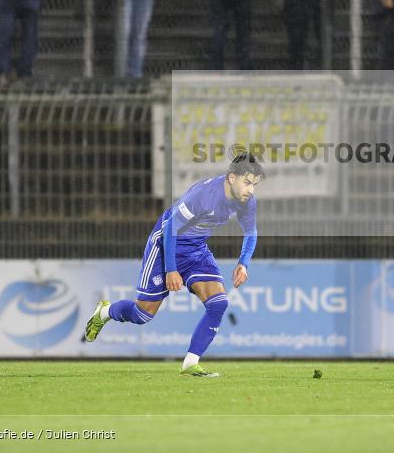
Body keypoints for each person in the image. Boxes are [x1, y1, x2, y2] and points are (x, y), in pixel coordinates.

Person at [83, 152, 264, 378]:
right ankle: (104, 312)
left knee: (219, 303)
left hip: (196, 249)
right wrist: (171, 269)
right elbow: (170, 228)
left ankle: (190, 363)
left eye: (254, 184)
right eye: (247, 183)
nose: (251, 190)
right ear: (231, 178)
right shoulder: (203, 195)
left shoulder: (246, 202)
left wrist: (243, 263)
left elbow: (251, 232)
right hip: (165, 245)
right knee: (142, 315)